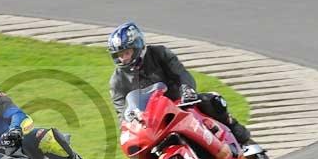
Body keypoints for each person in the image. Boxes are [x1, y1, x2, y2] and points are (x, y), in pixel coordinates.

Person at [107, 22, 251, 145]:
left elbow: (181, 73)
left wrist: (187, 89)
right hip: (153, 120)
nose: (123, 59)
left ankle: (233, 126)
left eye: (126, 53)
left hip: (179, 102)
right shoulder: (117, 81)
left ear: (137, 46)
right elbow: (122, 111)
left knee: (212, 100)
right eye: (119, 55)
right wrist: (128, 125)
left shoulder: (159, 53)